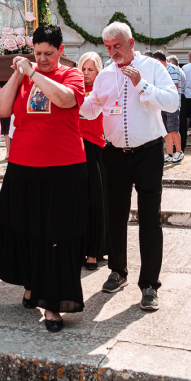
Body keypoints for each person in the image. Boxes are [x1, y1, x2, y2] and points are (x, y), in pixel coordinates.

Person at [0, 23, 87, 333]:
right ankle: (30, 285)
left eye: (48, 54)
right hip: (24, 165)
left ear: (60, 51)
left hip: (63, 167)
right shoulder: (24, 75)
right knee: (23, 229)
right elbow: (0, 108)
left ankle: (53, 304)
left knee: (57, 235)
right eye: (37, 53)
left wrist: (35, 74)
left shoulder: (71, 74)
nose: (43, 59)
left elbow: (65, 100)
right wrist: (18, 74)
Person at [81, 22, 180, 312]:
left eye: (117, 46)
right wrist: (70, 98)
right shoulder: (104, 76)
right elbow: (91, 109)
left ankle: (149, 284)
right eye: (108, 48)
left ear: (131, 42)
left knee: (150, 218)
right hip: (113, 154)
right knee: (115, 215)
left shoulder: (151, 68)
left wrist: (142, 85)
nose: (113, 53)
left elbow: (173, 102)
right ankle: (118, 270)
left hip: (148, 153)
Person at [77, 51, 107, 271]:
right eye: (83, 69)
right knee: (76, 203)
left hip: (95, 147)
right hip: (73, 148)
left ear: (98, 71)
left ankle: (94, 251)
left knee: (96, 202)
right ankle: (76, 248)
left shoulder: (101, 92)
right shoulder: (73, 90)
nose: (86, 74)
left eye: (91, 69)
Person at [164, 55, 186, 163]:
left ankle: (179, 152)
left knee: (173, 129)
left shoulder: (173, 69)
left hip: (172, 104)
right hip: (164, 104)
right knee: (166, 131)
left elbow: (175, 86)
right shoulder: (164, 69)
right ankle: (169, 153)